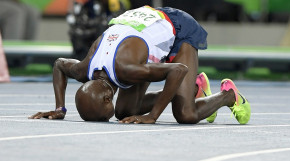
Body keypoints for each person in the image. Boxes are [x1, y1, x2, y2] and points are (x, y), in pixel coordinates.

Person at [29, 6, 251, 124]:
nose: (108, 118)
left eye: (103, 116)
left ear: (107, 98)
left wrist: (152, 116)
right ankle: (195, 89)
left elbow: (178, 70)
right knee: (125, 112)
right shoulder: (85, 68)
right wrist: (60, 109)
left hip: (177, 28)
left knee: (185, 115)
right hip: (143, 30)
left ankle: (228, 96)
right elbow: (59, 65)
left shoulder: (128, 69)